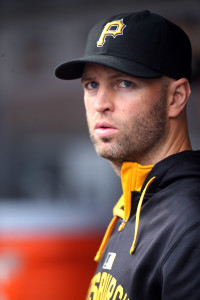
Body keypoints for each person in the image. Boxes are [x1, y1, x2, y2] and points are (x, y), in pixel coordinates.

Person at [55, 10, 200, 300]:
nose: (100, 104)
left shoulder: (190, 222)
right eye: (91, 85)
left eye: (124, 83)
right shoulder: (135, 205)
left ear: (176, 97)